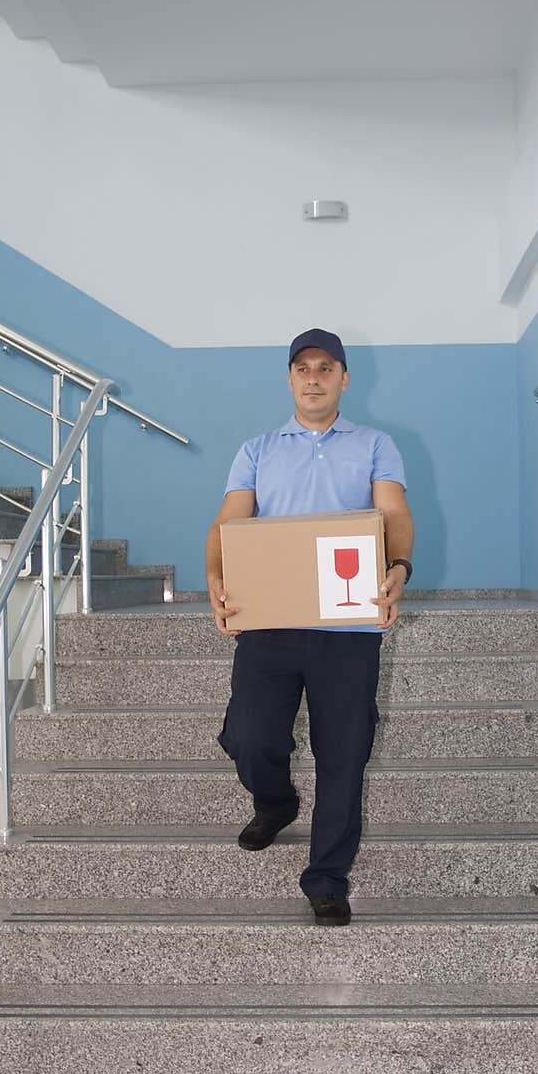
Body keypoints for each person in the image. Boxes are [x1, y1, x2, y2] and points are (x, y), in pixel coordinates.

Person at [205, 328, 414, 927]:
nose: (314, 377)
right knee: (249, 738)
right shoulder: (257, 450)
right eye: (303, 368)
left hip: (346, 626)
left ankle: (327, 878)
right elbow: (228, 523)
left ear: (345, 378)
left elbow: (394, 511)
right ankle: (275, 802)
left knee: (344, 753)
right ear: (289, 379)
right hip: (270, 620)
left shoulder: (375, 444)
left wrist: (398, 566)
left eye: (327, 368)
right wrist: (216, 581)